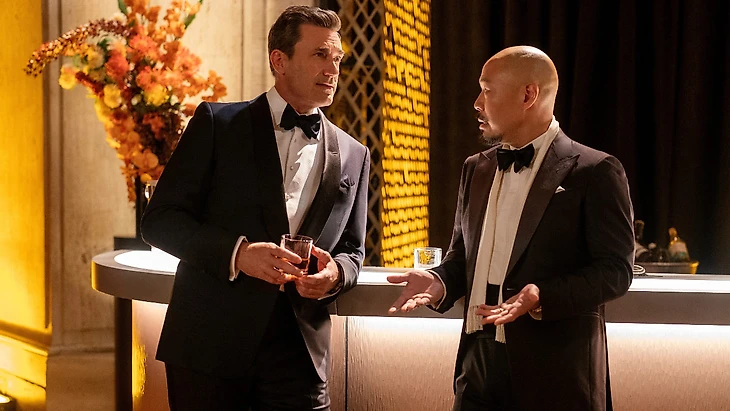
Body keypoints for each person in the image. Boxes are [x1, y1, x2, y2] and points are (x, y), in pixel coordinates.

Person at [141, 6, 369, 410]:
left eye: (337, 58)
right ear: (279, 60)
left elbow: (353, 249)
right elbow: (160, 221)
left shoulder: (355, 153)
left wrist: (335, 274)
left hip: (299, 355)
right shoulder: (217, 124)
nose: (332, 69)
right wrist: (239, 254)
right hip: (210, 346)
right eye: (320, 54)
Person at [388, 46, 633, 411]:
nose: (476, 103)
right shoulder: (476, 167)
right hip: (476, 367)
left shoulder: (595, 171)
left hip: (555, 375)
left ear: (528, 95)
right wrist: (439, 281)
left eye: (487, 90)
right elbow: (462, 258)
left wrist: (541, 295)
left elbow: (616, 272)